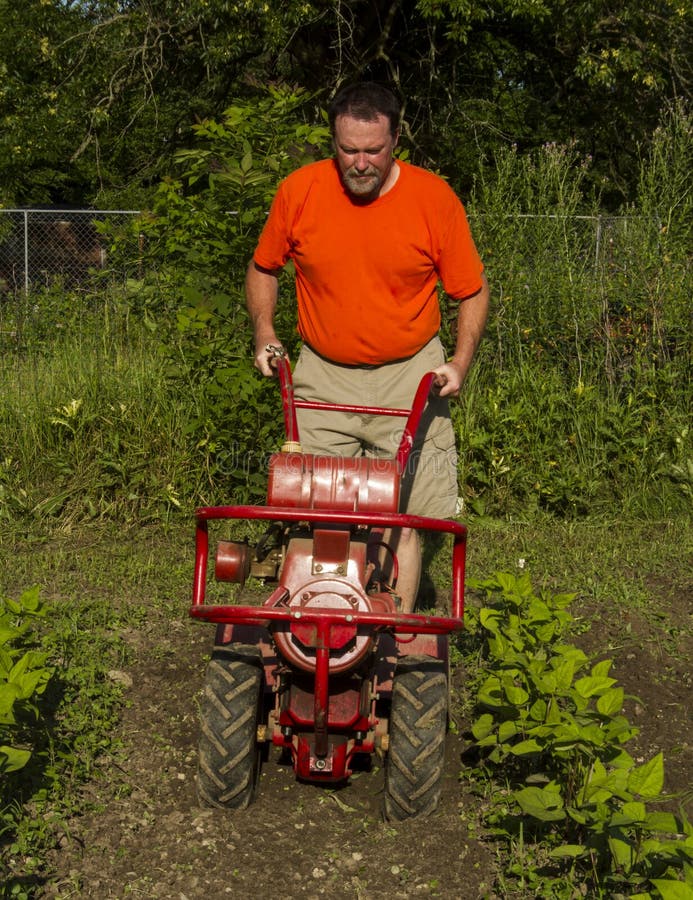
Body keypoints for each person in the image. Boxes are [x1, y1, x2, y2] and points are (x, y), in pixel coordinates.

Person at [246, 81, 489, 613]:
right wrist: (265, 332)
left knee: (406, 514)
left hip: (411, 374)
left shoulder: (432, 198)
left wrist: (460, 363)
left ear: (395, 139)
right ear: (332, 141)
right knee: (314, 508)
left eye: (373, 150)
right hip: (322, 373)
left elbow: (470, 289)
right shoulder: (300, 190)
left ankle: (393, 634)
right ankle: (318, 630)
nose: (360, 163)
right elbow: (264, 267)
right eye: (348, 149)